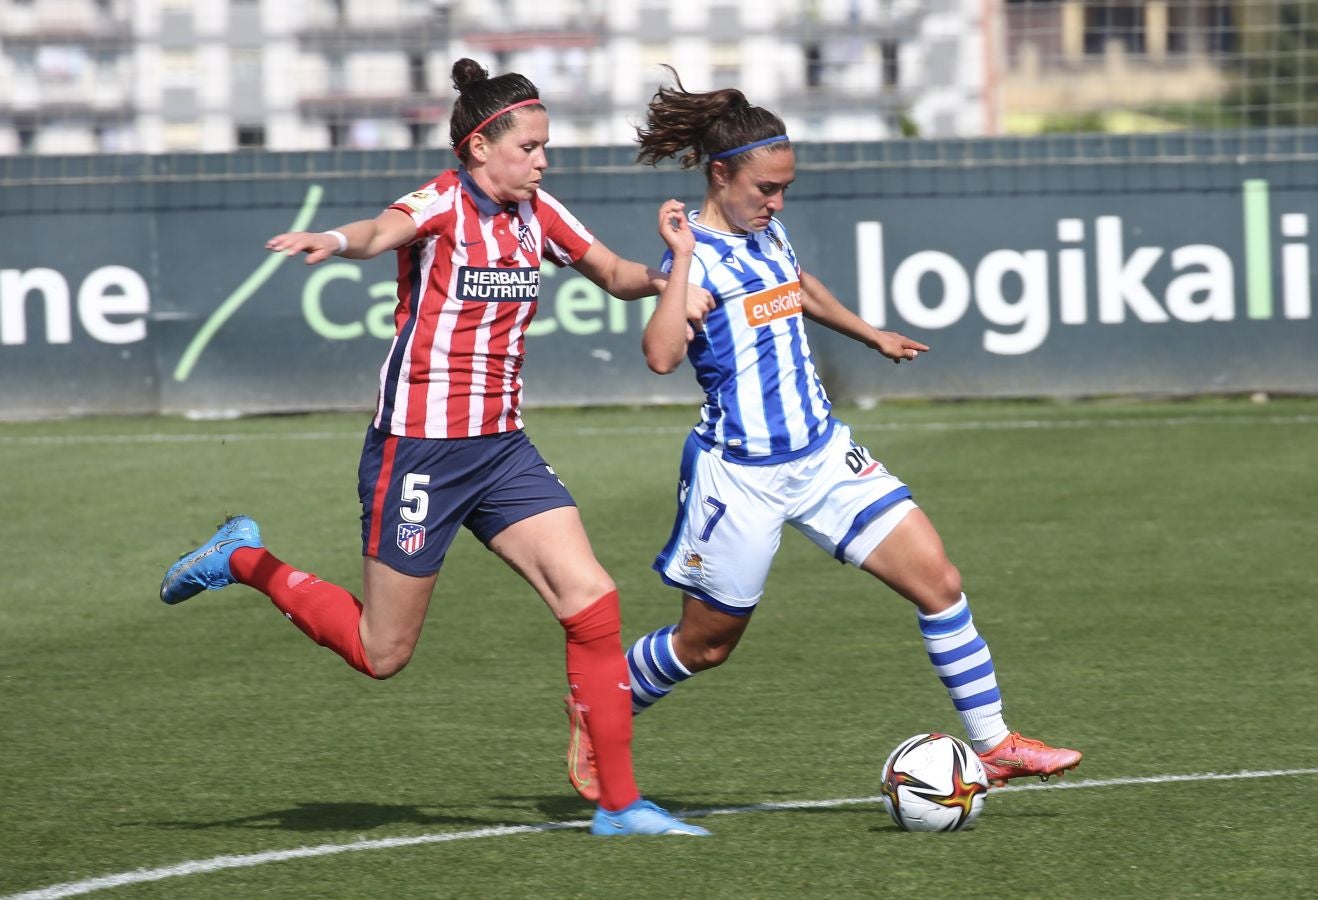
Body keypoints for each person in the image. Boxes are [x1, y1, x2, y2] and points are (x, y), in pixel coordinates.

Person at [158, 58, 709, 837]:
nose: (543, 160)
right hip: (417, 451)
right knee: (382, 653)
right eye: (531, 147)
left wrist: (669, 274)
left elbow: (614, 272)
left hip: (502, 450)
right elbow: (382, 230)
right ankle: (243, 559)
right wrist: (335, 240)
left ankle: (621, 806)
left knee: (592, 601)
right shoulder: (444, 202)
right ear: (481, 146)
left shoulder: (537, 213)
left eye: (546, 147)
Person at [568, 69, 1082, 792]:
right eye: (765, 189)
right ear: (722, 175)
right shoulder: (698, 261)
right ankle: (598, 707)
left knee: (939, 581)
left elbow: (798, 287)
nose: (777, 202)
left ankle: (994, 743)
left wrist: (870, 334)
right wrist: (680, 261)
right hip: (740, 475)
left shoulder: (767, 232)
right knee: (706, 645)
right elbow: (659, 357)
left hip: (823, 457)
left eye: (783, 189)